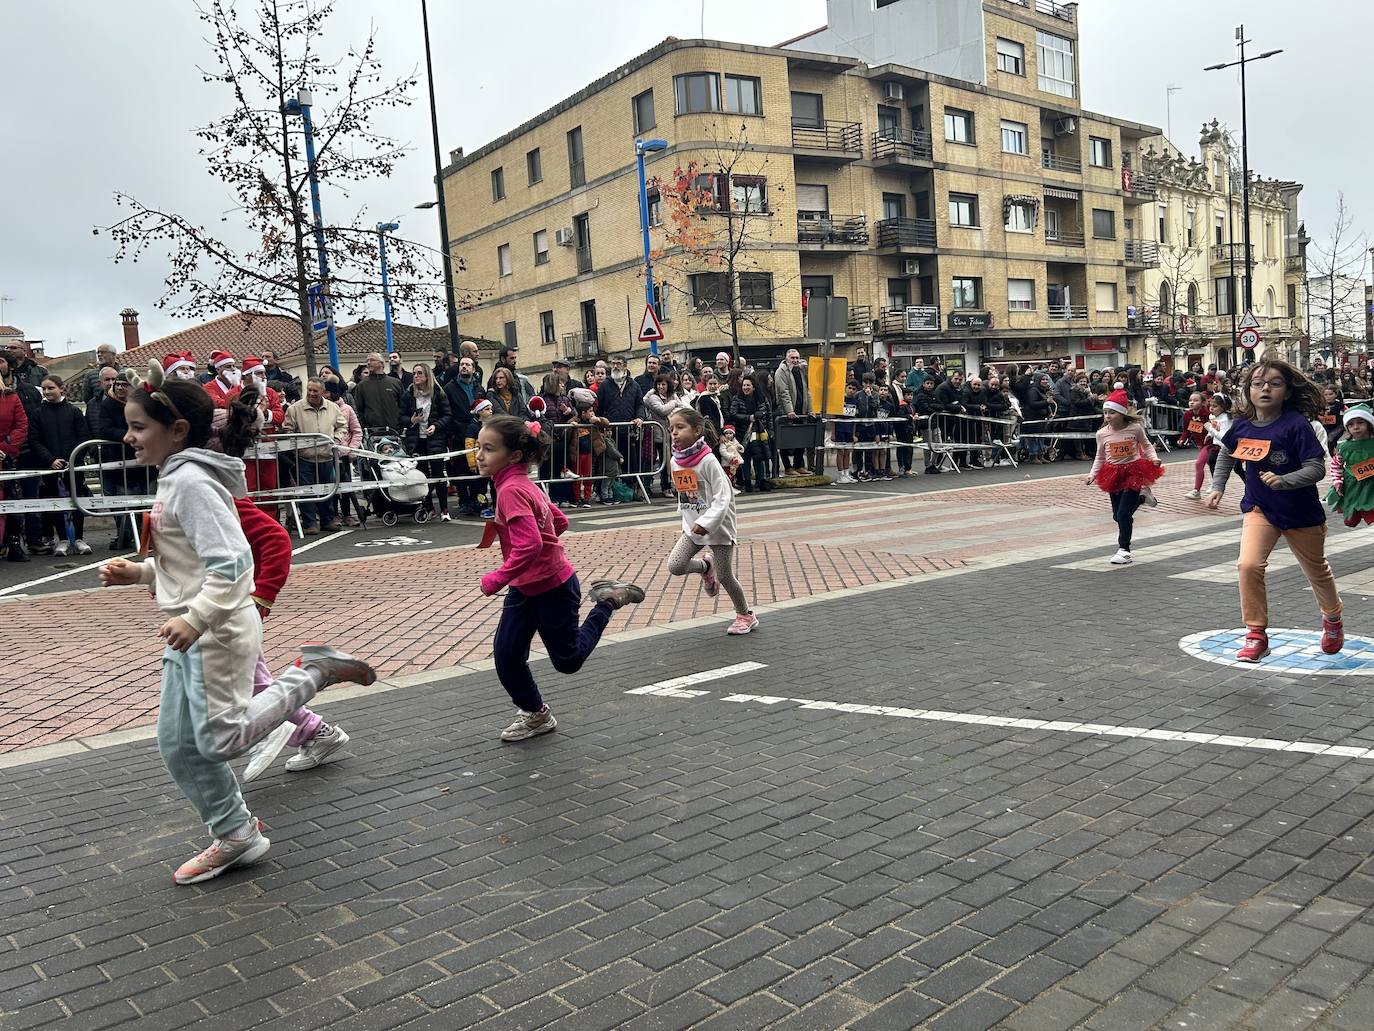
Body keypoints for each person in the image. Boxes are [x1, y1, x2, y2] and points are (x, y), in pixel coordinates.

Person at [97, 365, 375, 884]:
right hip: (191, 628)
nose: (128, 437)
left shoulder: (191, 483)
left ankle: (313, 672)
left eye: (138, 427)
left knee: (220, 740)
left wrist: (197, 617)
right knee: (177, 745)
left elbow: (233, 564)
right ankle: (236, 833)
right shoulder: (176, 479)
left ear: (177, 431)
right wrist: (140, 572)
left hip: (216, 629)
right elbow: (190, 565)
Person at [475, 414, 645, 741]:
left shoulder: (511, 489)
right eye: (478, 447)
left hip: (553, 587)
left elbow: (530, 545)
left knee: (568, 661)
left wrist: (497, 578)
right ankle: (536, 715)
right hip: (526, 588)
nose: (479, 456)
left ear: (514, 456)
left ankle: (609, 601)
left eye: (489, 449)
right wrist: (537, 554)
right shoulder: (521, 484)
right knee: (507, 655)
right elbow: (560, 521)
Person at [218, 391, 351, 782]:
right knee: (242, 683)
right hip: (213, 610)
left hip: (231, 608)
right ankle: (300, 727)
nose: (131, 439)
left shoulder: (216, 496)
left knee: (250, 683)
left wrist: (261, 597)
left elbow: (275, 538)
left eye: (141, 427)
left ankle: (310, 693)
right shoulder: (194, 489)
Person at [1207, 359, 1344, 663]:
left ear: (1287, 391)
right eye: (1257, 384)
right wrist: (1217, 486)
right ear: (1248, 391)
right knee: (1248, 565)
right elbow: (1228, 453)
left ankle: (1332, 617)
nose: (1265, 389)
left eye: (1274, 384)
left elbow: (1316, 468)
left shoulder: (1296, 425)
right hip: (1260, 508)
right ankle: (1256, 633)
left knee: (1316, 570)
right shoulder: (1241, 426)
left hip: (1300, 511)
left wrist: (1285, 481)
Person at [665, 407, 758, 635]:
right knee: (675, 565)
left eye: (680, 427)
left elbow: (723, 496)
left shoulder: (708, 460)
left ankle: (745, 615)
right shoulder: (675, 461)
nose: (674, 433)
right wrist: (687, 518)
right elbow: (685, 494)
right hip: (694, 526)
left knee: (725, 577)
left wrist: (707, 522)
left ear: (697, 430)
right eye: (671, 429)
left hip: (718, 526)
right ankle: (706, 567)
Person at [1087, 389, 1164, 565]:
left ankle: (1124, 550)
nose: (1108, 416)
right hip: (1112, 474)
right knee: (1117, 516)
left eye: (1112, 412)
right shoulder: (1102, 433)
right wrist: (1092, 475)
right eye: (1105, 412)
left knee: (1123, 515)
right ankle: (1142, 498)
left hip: (1133, 472)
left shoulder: (1135, 429)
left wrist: (1154, 458)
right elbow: (1100, 457)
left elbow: (1147, 445)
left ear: (1121, 413)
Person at [28, 375, 92, 555]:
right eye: (44, 389)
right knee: (55, 502)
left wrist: (73, 459)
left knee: (77, 500)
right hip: (50, 467)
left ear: (61, 388)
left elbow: (83, 437)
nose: (47, 392)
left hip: (73, 466)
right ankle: (62, 539)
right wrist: (50, 460)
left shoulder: (74, 412)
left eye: (51, 388)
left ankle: (78, 538)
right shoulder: (37, 413)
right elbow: (34, 440)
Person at [282, 379, 347, 534]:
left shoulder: (333, 407)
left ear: (322, 392)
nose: (311, 393)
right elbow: (287, 429)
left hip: (326, 456)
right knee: (307, 492)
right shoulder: (294, 409)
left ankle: (327, 520)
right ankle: (310, 523)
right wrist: (297, 445)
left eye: (315, 391)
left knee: (327, 490)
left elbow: (342, 426)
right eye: (309, 390)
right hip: (305, 457)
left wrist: (336, 439)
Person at [402, 364, 453, 521]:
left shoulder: (438, 393)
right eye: (414, 373)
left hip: (435, 439)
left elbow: (447, 415)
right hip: (416, 440)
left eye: (419, 373)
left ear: (427, 376)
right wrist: (411, 420)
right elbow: (401, 416)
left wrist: (436, 426)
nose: (416, 376)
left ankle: (444, 509)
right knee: (422, 476)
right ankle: (429, 507)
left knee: (438, 475)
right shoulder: (409, 394)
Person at [0, 356, 30, 561]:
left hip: (7, 458)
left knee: (12, 503)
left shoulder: (11, 398)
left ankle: (14, 543)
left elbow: (21, 426)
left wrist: (4, 448)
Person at [1327, 404, 1374, 527]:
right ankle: (1354, 511)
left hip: (1371, 486)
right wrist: (1337, 482)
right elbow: (1336, 465)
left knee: (1371, 515)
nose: (1356, 427)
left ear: (1369, 424)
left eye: (1360, 423)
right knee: (1350, 521)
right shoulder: (1343, 447)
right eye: (1351, 424)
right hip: (1352, 485)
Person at [727, 373, 772, 493]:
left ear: (754, 386)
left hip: (759, 433)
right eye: (744, 385)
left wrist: (770, 430)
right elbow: (733, 414)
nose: (745, 387)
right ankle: (747, 482)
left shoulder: (762, 398)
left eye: (748, 385)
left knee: (759, 457)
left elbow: (768, 415)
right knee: (745, 458)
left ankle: (761, 481)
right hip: (743, 434)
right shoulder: (737, 398)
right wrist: (749, 417)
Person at [644, 374, 688, 497]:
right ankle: (663, 487)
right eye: (658, 384)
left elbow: (682, 407)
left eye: (663, 384)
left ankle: (674, 486)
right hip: (659, 434)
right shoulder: (653, 397)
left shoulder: (672, 395)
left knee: (673, 461)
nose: (661, 387)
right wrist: (674, 403)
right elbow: (662, 410)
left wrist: (674, 402)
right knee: (661, 461)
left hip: (672, 434)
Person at [773, 348, 813, 476]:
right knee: (786, 440)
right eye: (792, 358)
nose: (795, 360)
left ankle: (798, 465)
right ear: (786, 359)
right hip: (787, 411)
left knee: (801, 438)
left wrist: (810, 410)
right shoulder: (781, 371)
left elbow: (807, 391)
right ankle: (788, 467)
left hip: (801, 409)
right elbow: (783, 393)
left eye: (797, 358)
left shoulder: (801, 370)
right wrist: (789, 410)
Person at [354, 352, 404, 433]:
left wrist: (399, 423)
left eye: (372, 360)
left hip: (394, 430)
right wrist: (365, 427)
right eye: (367, 361)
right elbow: (358, 410)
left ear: (381, 363)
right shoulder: (361, 386)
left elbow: (403, 405)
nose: (368, 363)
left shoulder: (395, 383)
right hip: (372, 432)